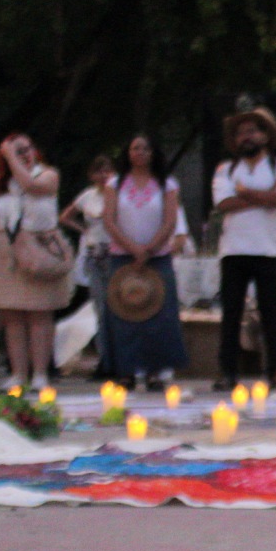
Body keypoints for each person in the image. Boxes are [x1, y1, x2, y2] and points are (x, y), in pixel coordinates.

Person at [212, 105, 276, 392]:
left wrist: (245, 194)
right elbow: (223, 204)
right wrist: (264, 196)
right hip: (234, 250)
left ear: (265, 135)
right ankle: (228, 373)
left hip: (269, 249)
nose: (246, 137)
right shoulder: (226, 169)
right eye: (240, 133)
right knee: (231, 314)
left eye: (252, 131)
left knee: (271, 314)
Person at [100, 134, 187, 390]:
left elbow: (170, 221)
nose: (140, 152)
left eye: (145, 148)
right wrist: (132, 248)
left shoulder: (166, 184)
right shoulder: (115, 184)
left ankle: (155, 371)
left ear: (153, 153)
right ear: (127, 153)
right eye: (135, 148)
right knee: (123, 314)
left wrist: (149, 249)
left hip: (157, 257)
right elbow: (109, 220)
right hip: (122, 256)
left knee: (159, 314)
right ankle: (125, 370)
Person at [0, 133, 69, 391]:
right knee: (12, 316)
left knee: (39, 314)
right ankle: (18, 374)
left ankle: (41, 374)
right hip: (5, 252)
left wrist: (11, 155)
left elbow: (32, 187)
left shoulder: (47, 175)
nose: (23, 155)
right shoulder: (3, 186)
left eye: (26, 149)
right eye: (16, 151)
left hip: (38, 248)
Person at [60, 154, 120, 380]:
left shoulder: (118, 194)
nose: (103, 176)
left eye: (108, 171)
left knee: (118, 308)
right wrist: (84, 230)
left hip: (115, 252)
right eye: (99, 171)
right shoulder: (87, 196)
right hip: (95, 254)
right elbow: (65, 216)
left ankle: (119, 359)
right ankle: (104, 358)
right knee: (100, 308)